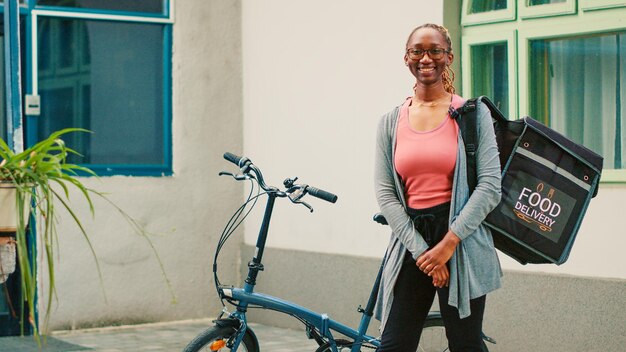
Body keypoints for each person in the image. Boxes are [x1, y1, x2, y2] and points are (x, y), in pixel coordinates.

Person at [374, 23, 503, 352]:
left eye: (434, 50)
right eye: (418, 51)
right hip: (411, 241)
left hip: (462, 238)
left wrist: (447, 245)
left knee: (465, 344)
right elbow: (387, 194)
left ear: (449, 57)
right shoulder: (391, 121)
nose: (426, 58)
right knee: (393, 345)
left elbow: (489, 187)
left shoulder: (472, 115)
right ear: (407, 59)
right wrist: (423, 253)